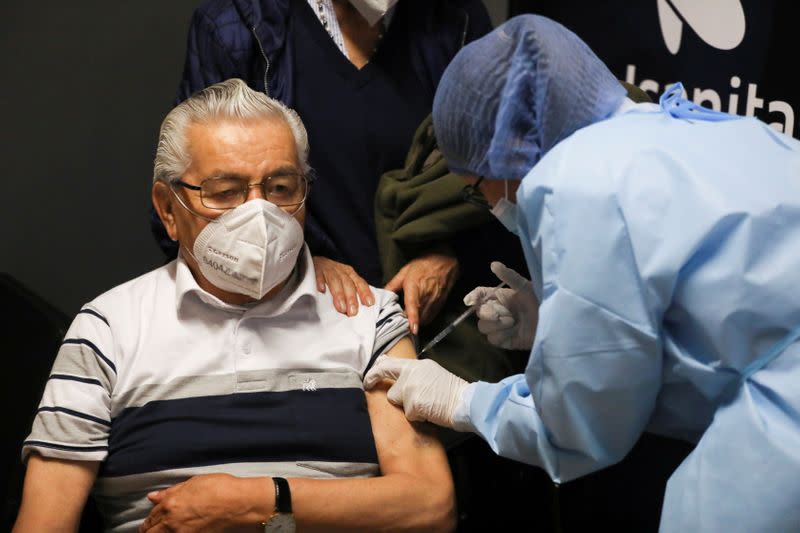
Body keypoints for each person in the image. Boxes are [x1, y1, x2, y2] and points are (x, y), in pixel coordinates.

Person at [364, 14, 800, 532]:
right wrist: (556, 321)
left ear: (509, 147)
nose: (482, 201)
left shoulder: (576, 183)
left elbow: (580, 433)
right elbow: (713, 321)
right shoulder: (683, 127)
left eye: (474, 184)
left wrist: (464, 400)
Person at [13, 79, 455, 533]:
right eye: (225, 192)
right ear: (168, 209)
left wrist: (259, 500)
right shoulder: (108, 330)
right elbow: (43, 524)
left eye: (282, 187)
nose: (260, 214)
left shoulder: (369, 316)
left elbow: (429, 505)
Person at [154, 0, 495, 333]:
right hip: (288, 315)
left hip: (426, 314)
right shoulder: (242, 26)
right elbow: (195, 199)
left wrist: (448, 252)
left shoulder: (456, 20)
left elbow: (503, 175)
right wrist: (295, 262)